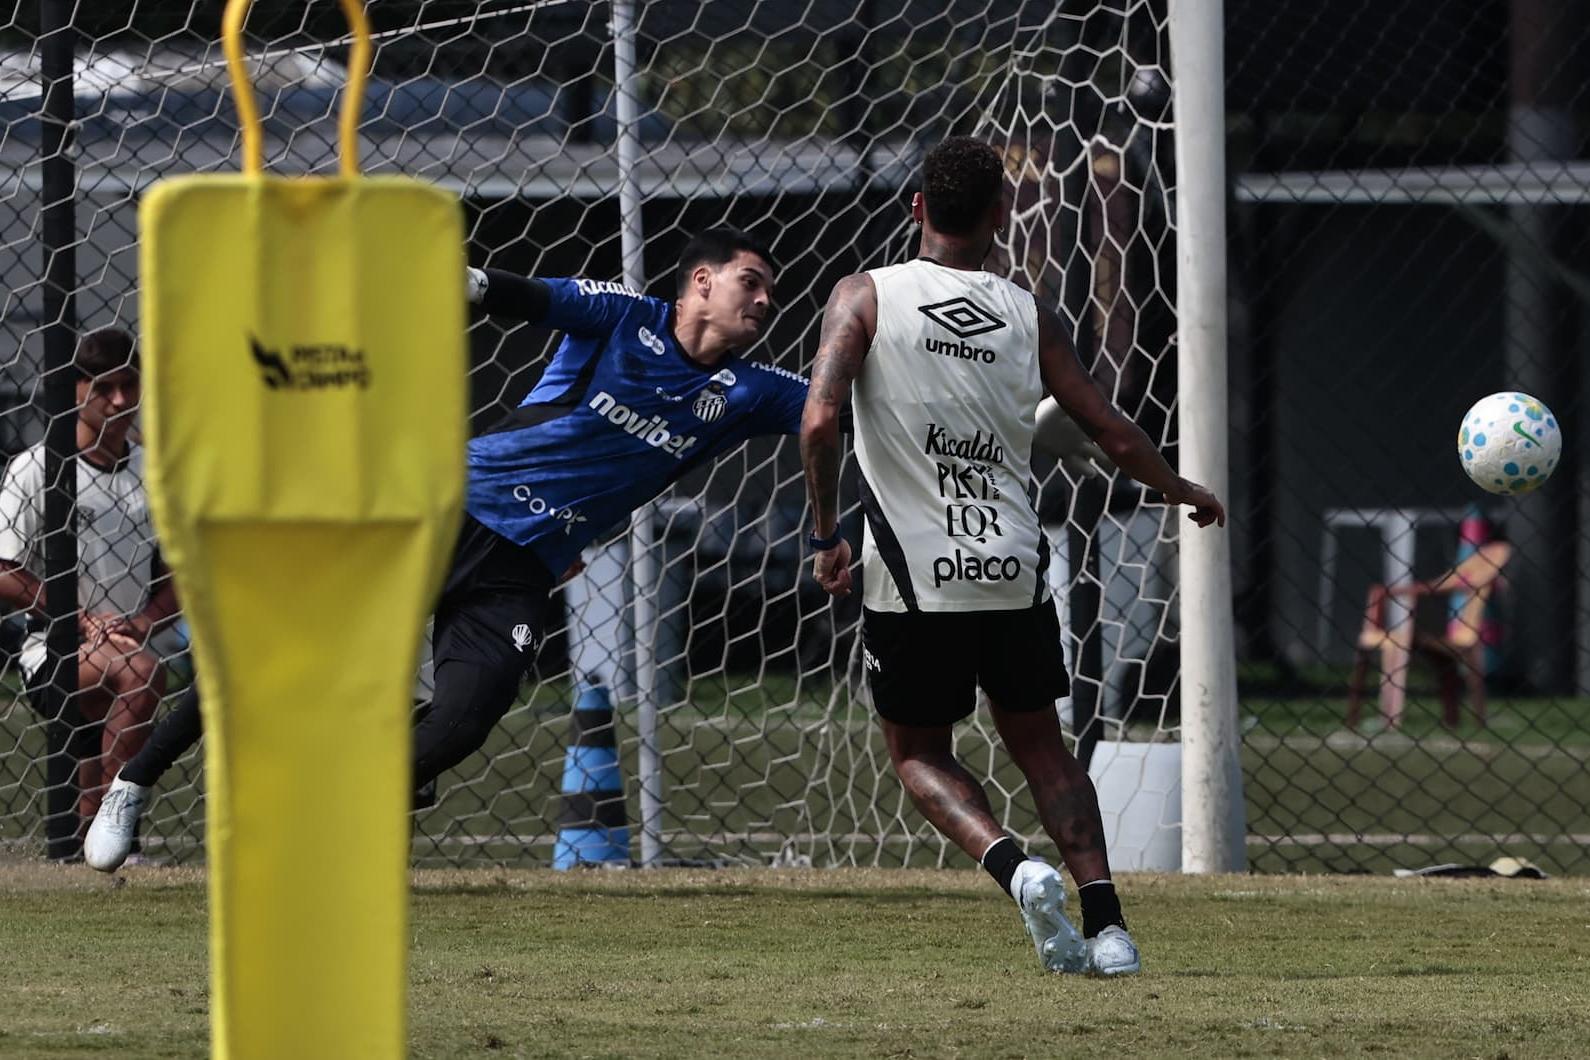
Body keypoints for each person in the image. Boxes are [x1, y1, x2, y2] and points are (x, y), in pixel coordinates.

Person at [84, 226, 1110, 872]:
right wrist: (451, 275)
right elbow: (518, 295)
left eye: (771, 296)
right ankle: (136, 786)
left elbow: (837, 416)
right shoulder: (621, 316)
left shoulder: (747, 394)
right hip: (443, 515)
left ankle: (329, 806)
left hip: (526, 569)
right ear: (700, 282)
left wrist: (1008, 417)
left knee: (461, 724)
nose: (763, 302)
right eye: (748, 283)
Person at [799, 137, 1225, 976]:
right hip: (1013, 568)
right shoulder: (1030, 312)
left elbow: (818, 421)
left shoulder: (865, 296)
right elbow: (1111, 431)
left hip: (914, 579)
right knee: (1043, 747)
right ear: (1002, 216)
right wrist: (1181, 490)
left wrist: (825, 535)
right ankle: (1111, 929)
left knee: (919, 753)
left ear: (916, 207)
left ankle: (1014, 866)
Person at [0, 326, 183, 847]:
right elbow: (3, 569)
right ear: (76, 389)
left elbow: (180, 580)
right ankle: (115, 827)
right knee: (145, 676)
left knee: (126, 688)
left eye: (130, 384)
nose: (121, 399)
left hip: (125, 643)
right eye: (105, 387)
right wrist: (78, 620)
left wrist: (143, 621)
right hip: (54, 649)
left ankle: (94, 845)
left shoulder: (154, 472)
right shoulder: (38, 467)